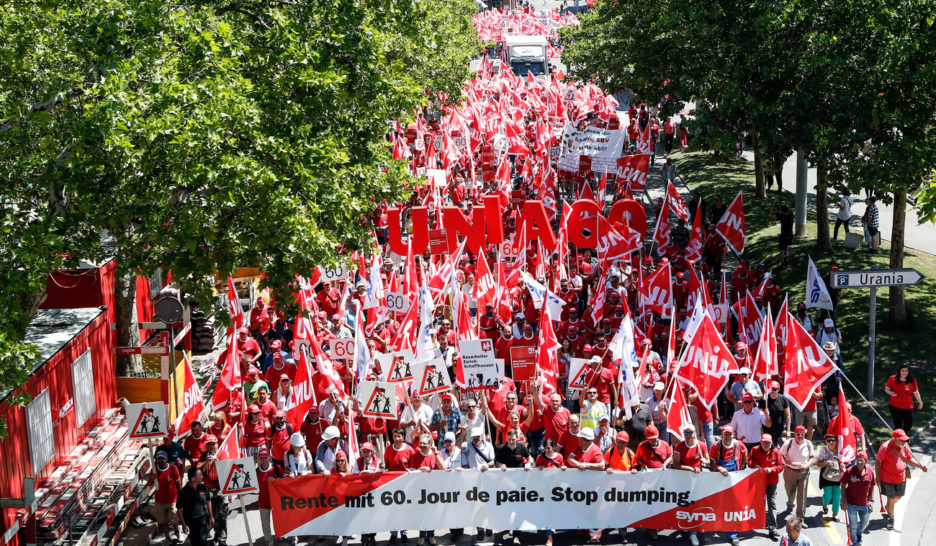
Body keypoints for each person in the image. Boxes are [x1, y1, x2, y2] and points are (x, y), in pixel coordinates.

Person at [876, 428, 928, 530]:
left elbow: (910, 458)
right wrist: (878, 477)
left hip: (901, 477)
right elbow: (878, 462)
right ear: (895, 439)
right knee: (891, 499)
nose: (905, 441)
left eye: (905, 439)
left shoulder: (904, 445)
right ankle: (891, 519)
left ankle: (889, 506)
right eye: (902, 439)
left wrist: (920, 466)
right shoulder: (885, 447)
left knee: (898, 497)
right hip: (888, 478)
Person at [709, 426, 747, 545]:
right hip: (719, 478)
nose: (728, 436)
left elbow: (745, 455)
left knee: (733, 506)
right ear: (722, 434)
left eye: (730, 434)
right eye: (726, 434)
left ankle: (732, 533)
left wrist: (741, 468)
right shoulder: (716, 446)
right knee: (719, 503)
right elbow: (711, 462)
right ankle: (717, 525)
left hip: (734, 479)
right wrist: (719, 468)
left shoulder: (739, 445)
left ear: (733, 435)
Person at [673, 425, 709, 546]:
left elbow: (708, 460)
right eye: (686, 433)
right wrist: (690, 468)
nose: (688, 436)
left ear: (695, 433)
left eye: (690, 433)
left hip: (697, 480)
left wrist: (705, 461)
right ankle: (684, 525)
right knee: (684, 504)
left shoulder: (701, 445)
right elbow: (676, 464)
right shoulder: (680, 445)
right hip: (683, 479)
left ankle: (693, 533)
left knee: (695, 504)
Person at [747, 433, 784, 539]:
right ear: (761, 442)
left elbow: (782, 465)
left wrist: (772, 469)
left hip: (771, 482)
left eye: (768, 442)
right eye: (764, 442)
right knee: (755, 502)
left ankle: (772, 527)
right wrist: (755, 465)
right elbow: (748, 460)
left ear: (771, 442)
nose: (766, 444)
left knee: (771, 503)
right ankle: (752, 523)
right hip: (757, 482)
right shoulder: (754, 450)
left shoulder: (776, 452)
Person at [781, 425, 815, 523]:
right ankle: (790, 505)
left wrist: (807, 465)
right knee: (790, 491)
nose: (800, 436)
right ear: (794, 434)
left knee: (802, 495)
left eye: (802, 434)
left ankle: (800, 517)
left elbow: (812, 457)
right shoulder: (788, 443)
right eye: (798, 434)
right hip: (790, 471)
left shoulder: (808, 444)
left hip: (803, 473)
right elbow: (781, 456)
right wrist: (790, 463)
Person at [841, 451, 875, 545]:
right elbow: (843, 486)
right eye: (858, 460)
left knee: (865, 523)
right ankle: (854, 542)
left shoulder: (870, 471)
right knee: (853, 525)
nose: (859, 462)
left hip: (865, 504)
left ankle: (858, 534)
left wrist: (871, 501)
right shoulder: (849, 471)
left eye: (862, 460)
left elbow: (872, 486)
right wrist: (843, 501)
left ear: (866, 462)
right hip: (851, 503)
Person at [151, 450, 182, 544]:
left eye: (162, 458)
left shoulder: (173, 468)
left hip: (172, 499)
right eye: (158, 458)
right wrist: (153, 478)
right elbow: (149, 484)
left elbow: (178, 483)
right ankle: (167, 537)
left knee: (174, 519)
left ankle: (177, 532)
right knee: (163, 521)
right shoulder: (154, 470)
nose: (160, 460)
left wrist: (180, 496)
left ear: (167, 459)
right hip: (159, 500)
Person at [176, 467, 213, 546]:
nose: (202, 477)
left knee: (203, 541)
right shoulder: (183, 492)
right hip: (191, 523)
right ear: (193, 478)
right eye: (200, 475)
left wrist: (211, 516)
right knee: (195, 542)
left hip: (203, 520)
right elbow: (179, 509)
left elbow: (208, 501)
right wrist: (184, 525)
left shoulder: (203, 488)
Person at [255, 447, 283, 546]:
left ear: (269, 457)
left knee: (278, 521)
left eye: (265, 457)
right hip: (263, 502)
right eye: (261, 458)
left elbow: (285, 482)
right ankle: (269, 542)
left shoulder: (276, 468)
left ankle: (280, 536)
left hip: (276, 501)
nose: (263, 460)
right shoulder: (256, 471)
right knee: (265, 524)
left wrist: (275, 481)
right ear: (258, 459)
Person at [884, 363, 922, 434]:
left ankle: (901, 437)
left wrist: (920, 402)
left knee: (909, 424)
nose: (904, 372)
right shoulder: (893, 378)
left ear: (908, 372)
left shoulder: (912, 380)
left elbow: (916, 392)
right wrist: (891, 393)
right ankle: (897, 440)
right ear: (899, 371)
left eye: (906, 371)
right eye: (902, 370)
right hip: (895, 406)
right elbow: (886, 389)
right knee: (898, 426)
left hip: (908, 407)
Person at [816, 434, 844, 521]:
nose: (831, 442)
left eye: (833, 440)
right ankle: (824, 505)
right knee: (828, 495)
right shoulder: (823, 450)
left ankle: (835, 514)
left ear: (836, 441)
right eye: (829, 441)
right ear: (826, 442)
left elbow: (843, 461)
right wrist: (827, 463)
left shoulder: (839, 449)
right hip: (826, 475)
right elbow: (818, 464)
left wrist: (843, 464)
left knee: (837, 496)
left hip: (836, 475)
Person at [765, 380, 791, 447]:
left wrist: (788, 430)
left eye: (774, 389)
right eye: (771, 389)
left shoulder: (783, 399)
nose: (772, 391)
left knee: (776, 448)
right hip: (767, 429)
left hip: (779, 430)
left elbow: (788, 415)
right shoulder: (765, 400)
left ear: (778, 389)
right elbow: (759, 416)